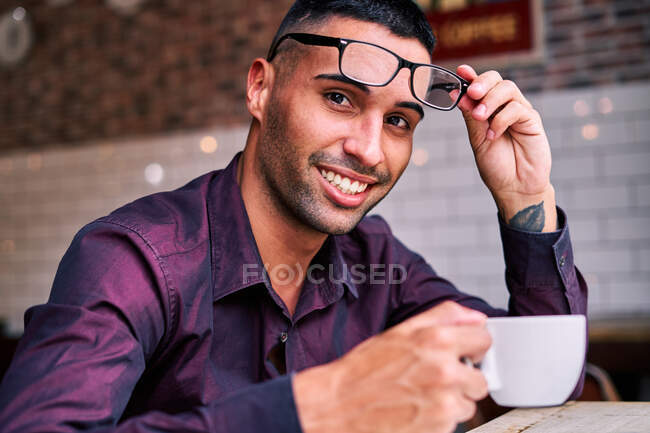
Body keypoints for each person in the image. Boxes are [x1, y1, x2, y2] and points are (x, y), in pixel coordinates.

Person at [0, 1, 587, 432]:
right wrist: (322, 407)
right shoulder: (134, 259)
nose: (370, 148)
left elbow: (537, 384)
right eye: (339, 97)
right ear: (261, 88)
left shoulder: (377, 262)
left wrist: (524, 197)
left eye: (399, 122)